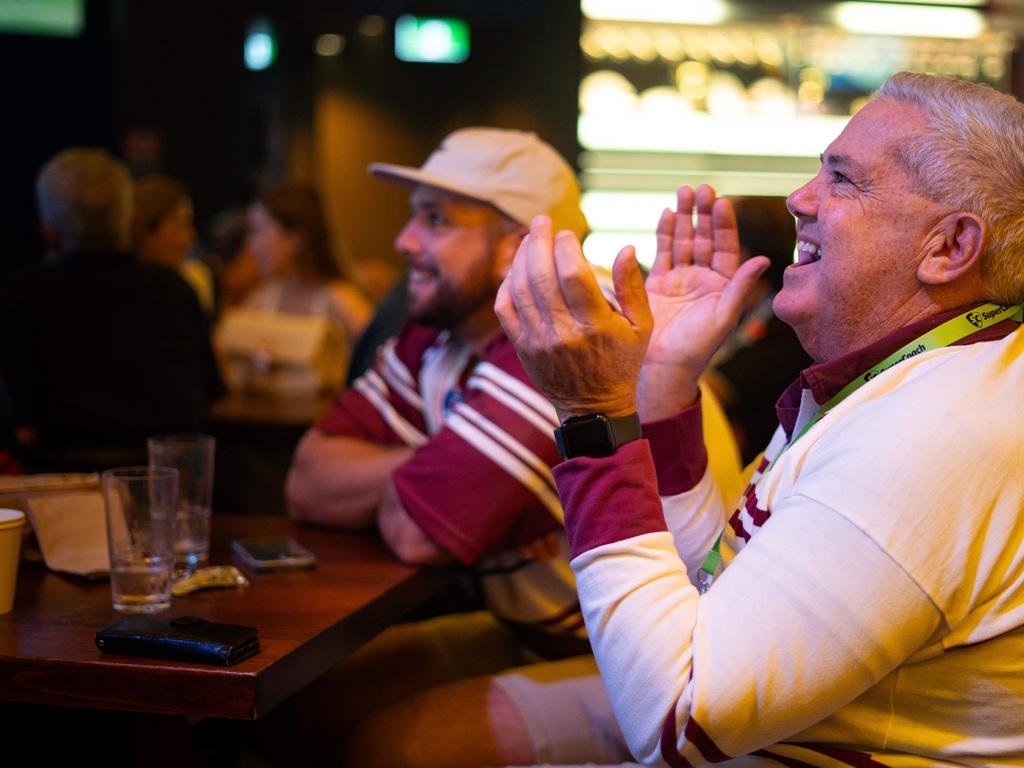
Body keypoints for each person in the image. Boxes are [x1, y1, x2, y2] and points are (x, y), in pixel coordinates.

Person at [496, 72, 1024, 765]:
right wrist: (662, 382)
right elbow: (712, 593)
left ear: (949, 247)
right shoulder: (921, 379)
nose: (797, 199)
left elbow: (678, 721)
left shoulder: (936, 433)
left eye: (842, 179)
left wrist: (594, 416)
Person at [284, 127, 742, 767]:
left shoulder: (568, 342)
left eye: (436, 221)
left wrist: (436, 480)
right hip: (541, 633)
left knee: (389, 749)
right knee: (311, 697)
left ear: (515, 248)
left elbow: (415, 531)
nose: (404, 241)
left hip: (667, 660)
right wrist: (448, 461)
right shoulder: (437, 336)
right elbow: (307, 476)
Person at [0, 148, 224, 470]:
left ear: (49, 234)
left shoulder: (22, 294)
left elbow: (22, 421)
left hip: (54, 489)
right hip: (166, 489)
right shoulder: (175, 290)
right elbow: (209, 395)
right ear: (131, 219)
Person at [243, 183, 372, 346]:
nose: (252, 246)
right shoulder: (263, 299)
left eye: (258, 231)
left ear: (296, 238)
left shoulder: (337, 300)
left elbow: (377, 353)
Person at [133, 173, 215, 314]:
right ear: (146, 230)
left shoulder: (193, 279)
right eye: (182, 223)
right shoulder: (120, 289)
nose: (192, 235)